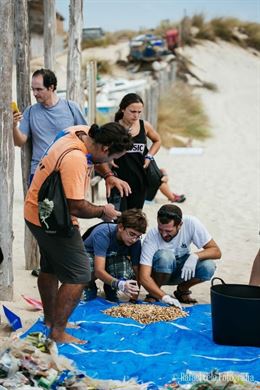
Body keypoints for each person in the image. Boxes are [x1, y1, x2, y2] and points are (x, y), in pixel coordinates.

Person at [24, 123, 133, 344]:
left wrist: (108, 175)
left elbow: (98, 159)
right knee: (80, 274)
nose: (113, 163)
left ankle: (49, 320)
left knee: (50, 267)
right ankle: (58, 332)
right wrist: (104, 211)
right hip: (52, 218)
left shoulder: (81, 132)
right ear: (105, 148)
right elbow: (76, 206)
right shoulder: (75, 160)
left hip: (35, 209)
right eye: (114, 157)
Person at [139, 204, 221, 306]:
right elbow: (144, 277)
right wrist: (165, 297)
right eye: (160, 229)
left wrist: (195, 256)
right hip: (159, 271)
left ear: (180, 225)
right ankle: (155, 293)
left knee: (209, 266)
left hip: (183, 271)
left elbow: (216, 251)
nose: (164, 234)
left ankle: (182, 290)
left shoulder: (191, 223)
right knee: (165, 257)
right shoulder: (152, 236)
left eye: (168, 231)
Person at [13, 68, 87, 180]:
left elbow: (87, 137)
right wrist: (13, 126)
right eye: (33, 89)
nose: (34, 94)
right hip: (39, 171)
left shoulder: (71, 107)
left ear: (51, 87)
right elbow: (19, 142)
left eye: (39, 89)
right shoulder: (30, 111)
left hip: (67, 169)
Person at [109, 93, 161, 211]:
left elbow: (157, 141)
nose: (136, 115)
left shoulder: (145, 126)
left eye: (139, 112)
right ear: (123, 109)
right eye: (132, 111)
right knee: (118, 217)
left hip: (140, 180)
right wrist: (109, 158)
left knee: (134, 217)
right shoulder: (113, 128)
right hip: (118, 179)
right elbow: (101, 147)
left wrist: (149, 156)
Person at [83, 209, 147, 302]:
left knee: (125, 270)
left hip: (111, 257)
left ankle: (110, 289)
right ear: (121, 227)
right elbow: (98, 270)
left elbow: (136, 270)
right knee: (87, 269)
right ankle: (89, 285)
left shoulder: (135, 242)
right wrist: (119, 284)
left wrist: (134, 298)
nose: (134, 239)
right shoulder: (103, 233)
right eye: (132, 234)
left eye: (138, 236)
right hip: (92, 255)